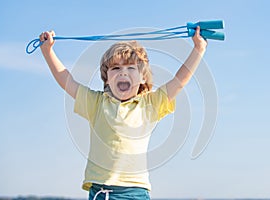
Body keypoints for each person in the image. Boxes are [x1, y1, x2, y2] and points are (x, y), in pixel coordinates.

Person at [39, 26, 207, 200]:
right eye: (115, 69)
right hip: (100, 192)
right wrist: (48, 52)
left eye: (130, 68)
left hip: (136, 192)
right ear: (107, 79)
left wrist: (198, 49)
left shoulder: (150, 104)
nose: (123, 73)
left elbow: (179, 81)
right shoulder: (96, 103)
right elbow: (67, 81)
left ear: (143, 77)